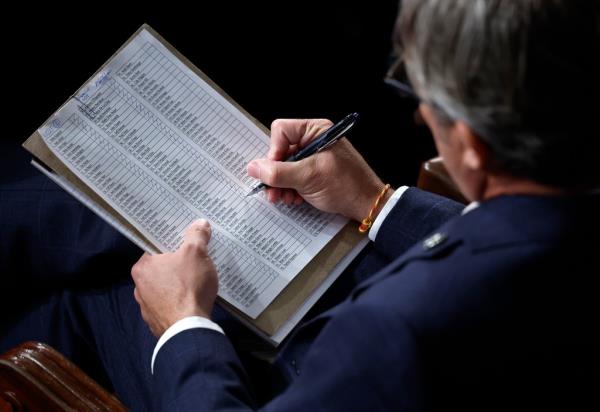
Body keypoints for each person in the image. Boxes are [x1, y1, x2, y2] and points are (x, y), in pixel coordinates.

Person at [1, 0, 599, 410]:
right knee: (93, 230)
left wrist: (183, 324)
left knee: (79, 292)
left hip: (271, 374)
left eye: (425, 98)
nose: (419, 113)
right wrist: (376, 200)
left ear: (470, 144)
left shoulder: (387, 334)